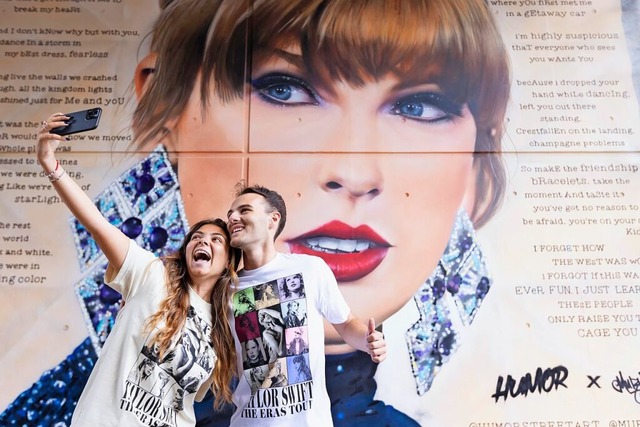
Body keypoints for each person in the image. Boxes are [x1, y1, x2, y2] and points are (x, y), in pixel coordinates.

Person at [6, 1, 509, 425]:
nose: (355, 172)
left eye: (422, 105)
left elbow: (342, 324)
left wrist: (362, 335)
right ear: (166, 105)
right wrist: (53, 169)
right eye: (284, 88)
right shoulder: (154, 298)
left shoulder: (308, 278)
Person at [34, 113, 239, 426]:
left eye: (216, 240)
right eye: (196, 237)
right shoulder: (150, 274)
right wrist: (50, 164)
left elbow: (187, 398)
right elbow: (97, 223)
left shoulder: (221, 329)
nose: (203, 242)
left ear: (228, 262)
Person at [224, 183, 387, 426]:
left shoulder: (309, 269)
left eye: (244, 210)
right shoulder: (225, 289)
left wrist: (367, 341)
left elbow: (346, 323)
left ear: (273, 219)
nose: (232, 218)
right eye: (230, 214)